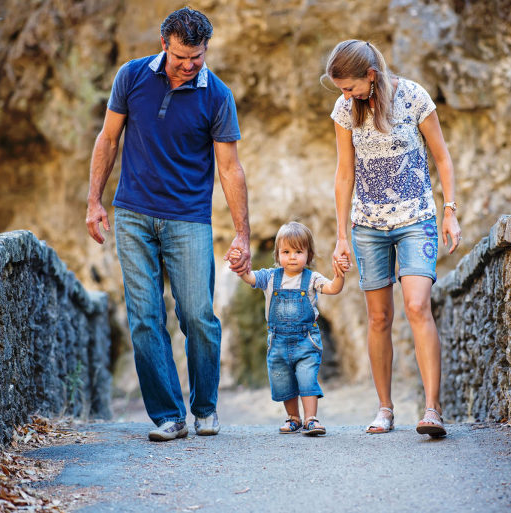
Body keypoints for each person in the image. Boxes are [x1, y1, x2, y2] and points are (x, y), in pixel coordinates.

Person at [85, 7, 251, 442]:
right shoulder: (131, 77)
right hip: (133, 214)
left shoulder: (217, 96)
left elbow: (230, 169)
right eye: (181, 56)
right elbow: (108, 138)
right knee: (144, 317)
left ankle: (205, 408)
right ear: (164, 45)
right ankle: (167, 416)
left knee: (197, 316)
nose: (189, 65)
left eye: (197, 56)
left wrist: (242, 233)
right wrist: (94, 201)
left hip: (189, 219)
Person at [324, 39, 462, 437]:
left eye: (349, 87)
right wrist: (340, 236)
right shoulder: (344, 110)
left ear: (370, 75)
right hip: (367, 227)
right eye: (340, 90)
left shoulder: (415, 97)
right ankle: (384, 409)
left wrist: (449, 210)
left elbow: (442, 157)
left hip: (417, 220)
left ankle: (432, 409)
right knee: (378, 317)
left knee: (418, 306)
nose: (345, 96)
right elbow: (344, 173)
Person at [230, 222, 350, 436]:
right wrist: (240, 267)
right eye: (286, 252)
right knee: (282, 379)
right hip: (277, 342)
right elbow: (250, 278)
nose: (292, 257)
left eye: (298, 251)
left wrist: (339, 274)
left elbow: (333, 288)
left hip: (306, 341)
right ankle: (294, 418)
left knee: (307, 378)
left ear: (309, 254)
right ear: (277, 254)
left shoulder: (312, 278)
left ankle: (311, 419)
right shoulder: (270, 277)